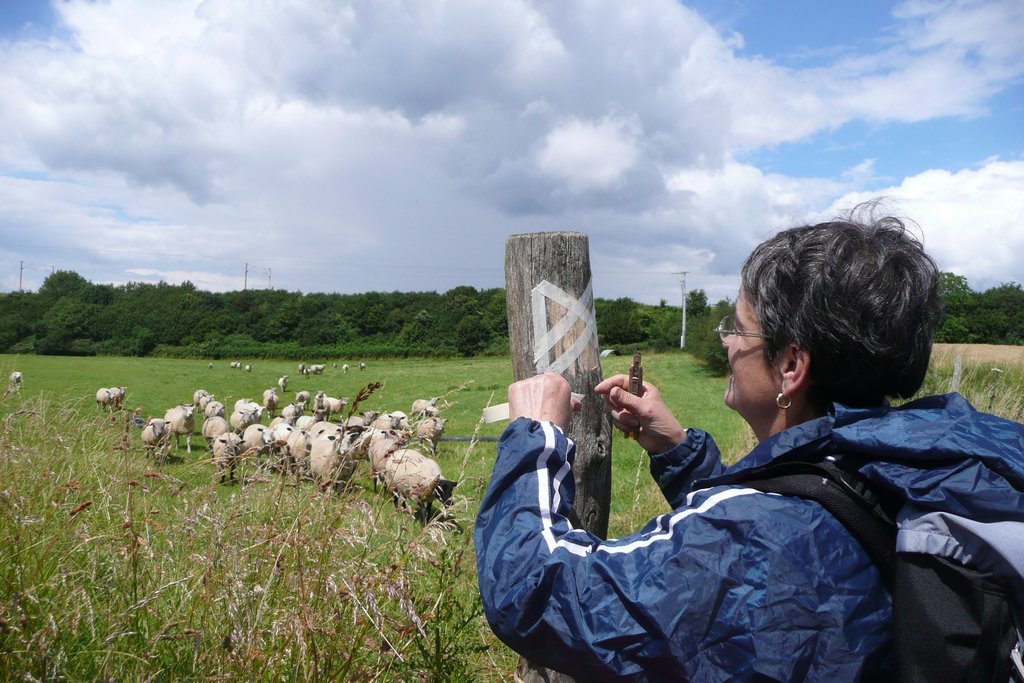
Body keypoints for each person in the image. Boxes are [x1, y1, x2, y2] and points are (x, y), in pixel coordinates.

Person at [475, 210, 1024, 681]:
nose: (728, 342)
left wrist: (537, 436)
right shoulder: (921, 460)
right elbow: (817, 522)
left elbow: (535, 590)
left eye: (739, 328)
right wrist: (677, 450)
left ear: (791, 365)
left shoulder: (759, 537)